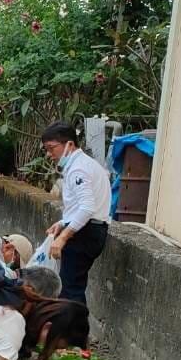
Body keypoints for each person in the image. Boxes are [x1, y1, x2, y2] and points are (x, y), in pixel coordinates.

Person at [41, 121, 112, 304]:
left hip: (86, 233)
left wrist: (64, 237)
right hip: (92, 230)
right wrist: (63, 223)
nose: (49, 155)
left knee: (70, 291)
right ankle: (73, 329)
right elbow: (84, 206)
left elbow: (87, 208)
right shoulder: (86, 164)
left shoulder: (78, 169)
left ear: (69, 145)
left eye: (51, 148)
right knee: (72, 286)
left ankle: (73, 331)